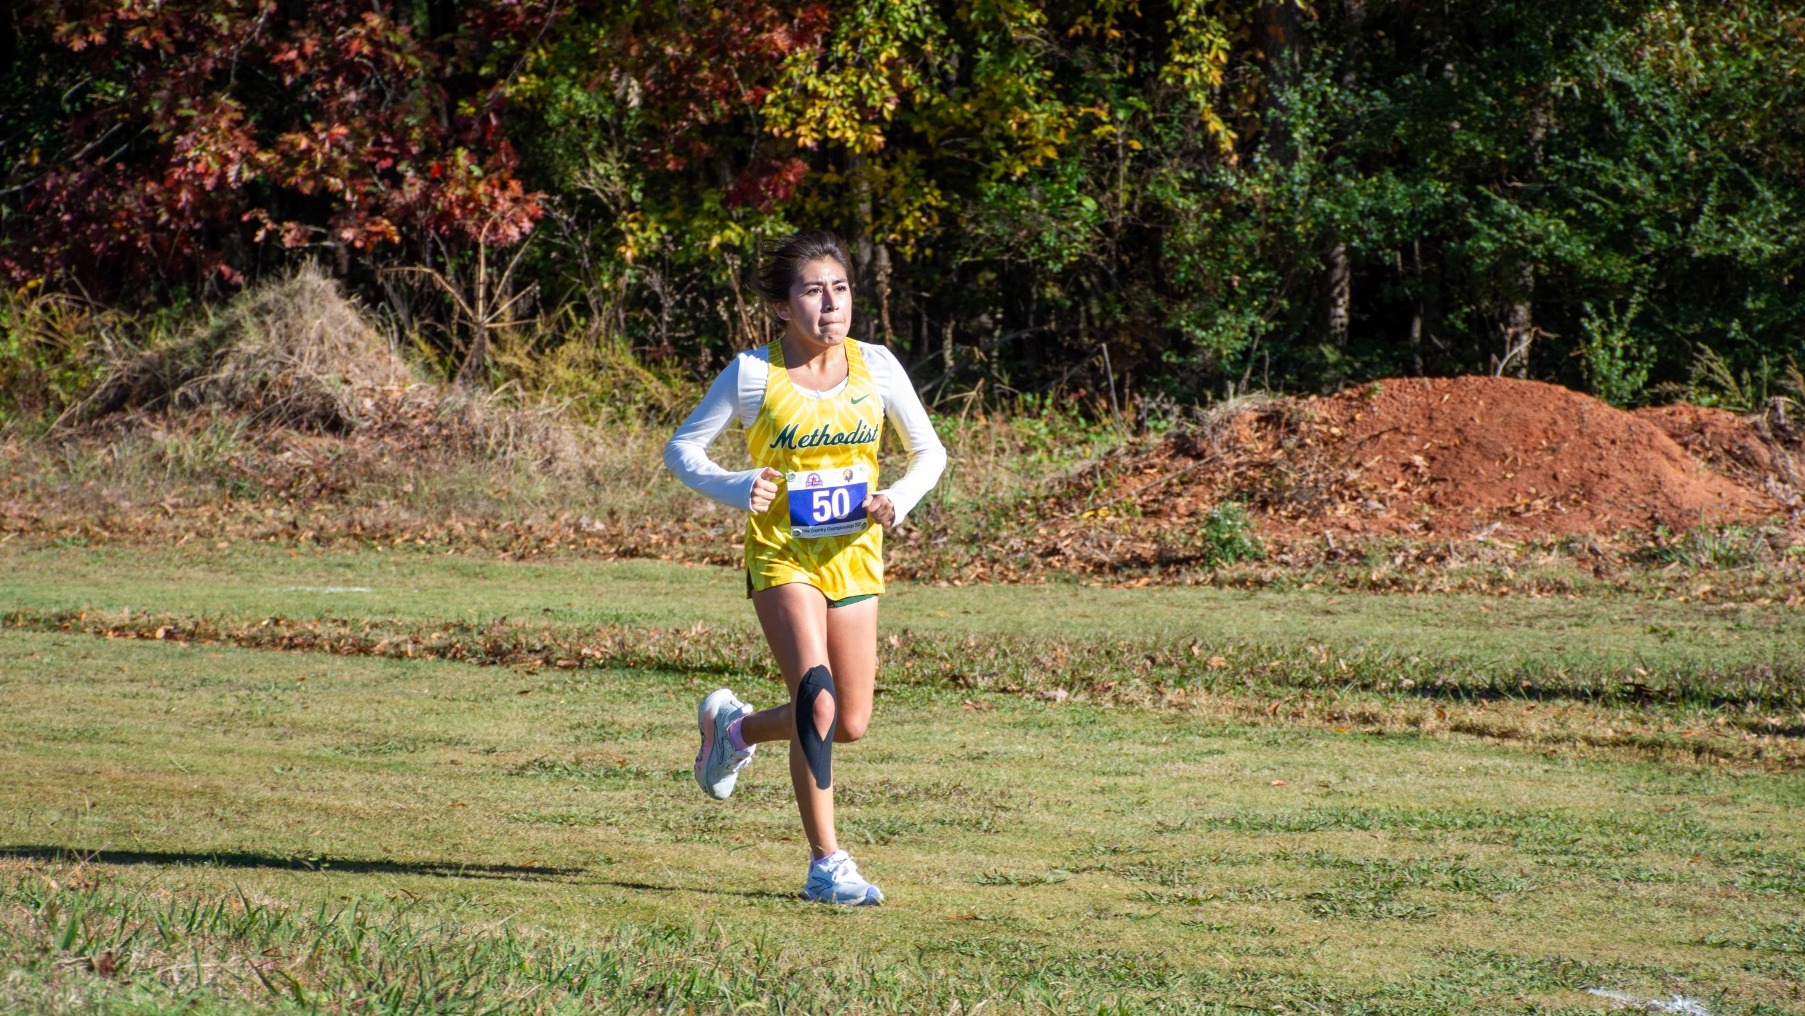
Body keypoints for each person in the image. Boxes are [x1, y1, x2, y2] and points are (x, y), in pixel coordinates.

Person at [663, 230, 946, 905]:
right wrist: (739, 485)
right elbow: (683, 449)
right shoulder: (752, 374)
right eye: (813, 292)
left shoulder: (876, 366)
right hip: (781, 553)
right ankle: (827, 866)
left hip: (854, 555)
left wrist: (896, 498)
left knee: (847, 721)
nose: (831, 305)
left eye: (840, 289)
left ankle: (733, 730)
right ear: (782, 306)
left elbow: (929, 452)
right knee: (816, 699)